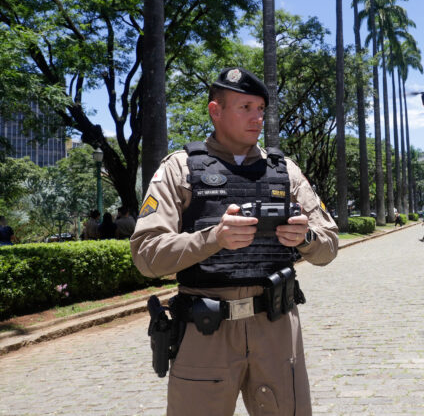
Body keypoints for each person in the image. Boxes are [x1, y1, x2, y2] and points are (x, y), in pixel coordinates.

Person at [130, 66, 339, 416]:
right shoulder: (179, 170)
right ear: (216, 111)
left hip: (275, 327)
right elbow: (146, 256)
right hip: (205, 332)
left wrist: (305, 238)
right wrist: (212, 238)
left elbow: (328, 246)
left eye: (261, 109)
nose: (257, 118)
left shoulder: (285, 171)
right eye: (245, 108)